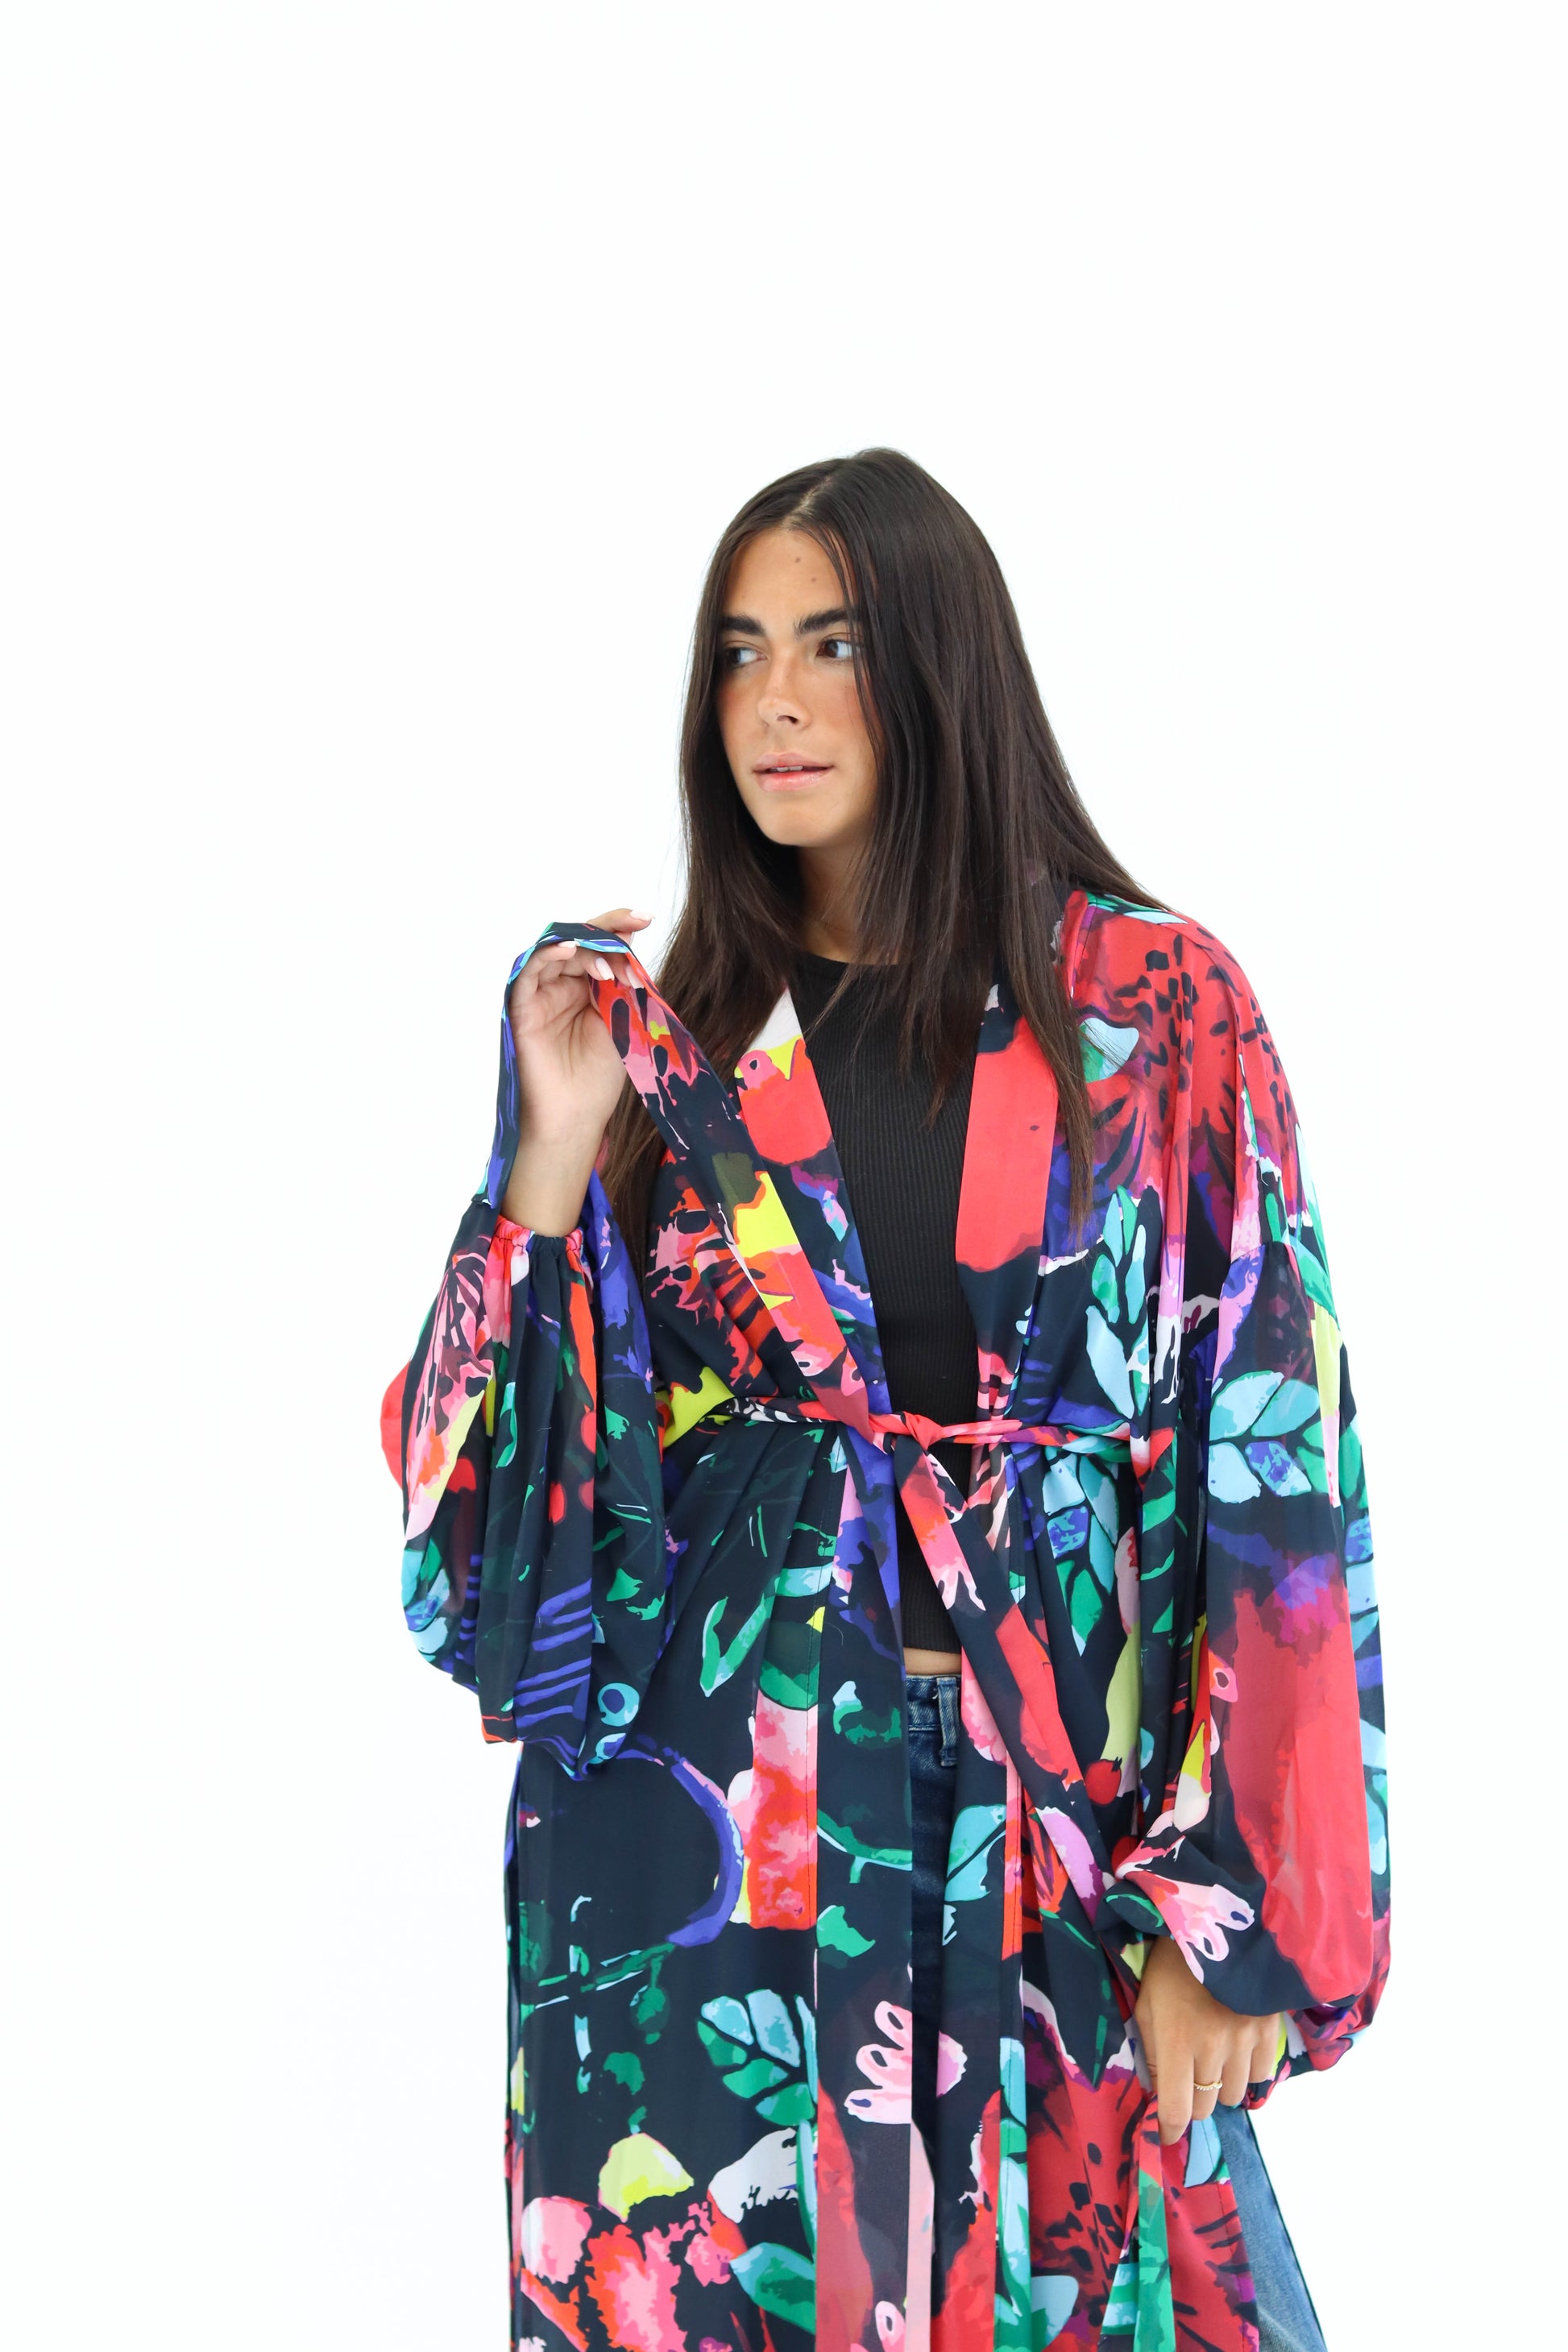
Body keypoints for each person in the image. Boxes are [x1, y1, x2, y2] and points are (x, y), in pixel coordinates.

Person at [384, 449, 1388, 2352]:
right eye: (740, 650)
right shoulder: (669, 1052)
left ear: (942, 665)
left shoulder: (1158, 1010)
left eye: (832, 645)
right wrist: (546, 1159)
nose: (772, 699)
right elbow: (478, 1571)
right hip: (708, 1849)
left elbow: (1278, 1452)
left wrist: (1239, 1907)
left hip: (1055, 1831)